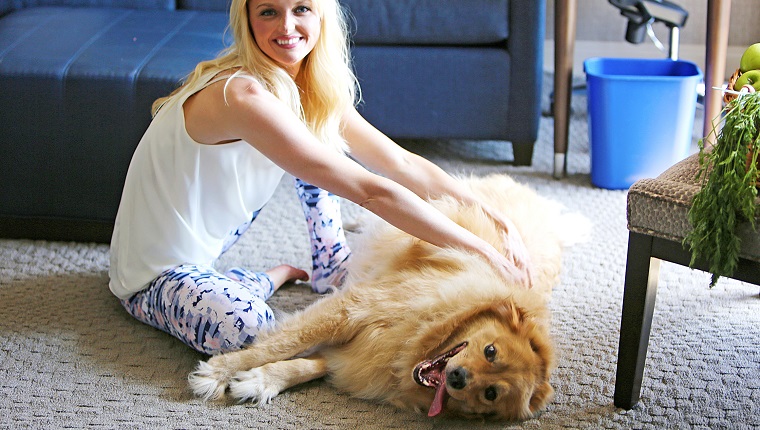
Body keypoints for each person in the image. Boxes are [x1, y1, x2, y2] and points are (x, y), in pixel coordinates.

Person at [109, 0, 532, 356]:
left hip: (200, 254)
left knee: (320, 137)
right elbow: (370, 191)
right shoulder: (242, 95)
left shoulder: (302, 87)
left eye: (301, 8)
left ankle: (329, 266)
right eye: (269, 11)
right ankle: (259, 281)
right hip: (154, 277)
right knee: (255, 331)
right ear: (247, 19)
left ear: (322, 15)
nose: (287, 26)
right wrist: (482, 253)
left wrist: (494, 216)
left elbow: (400, 164)